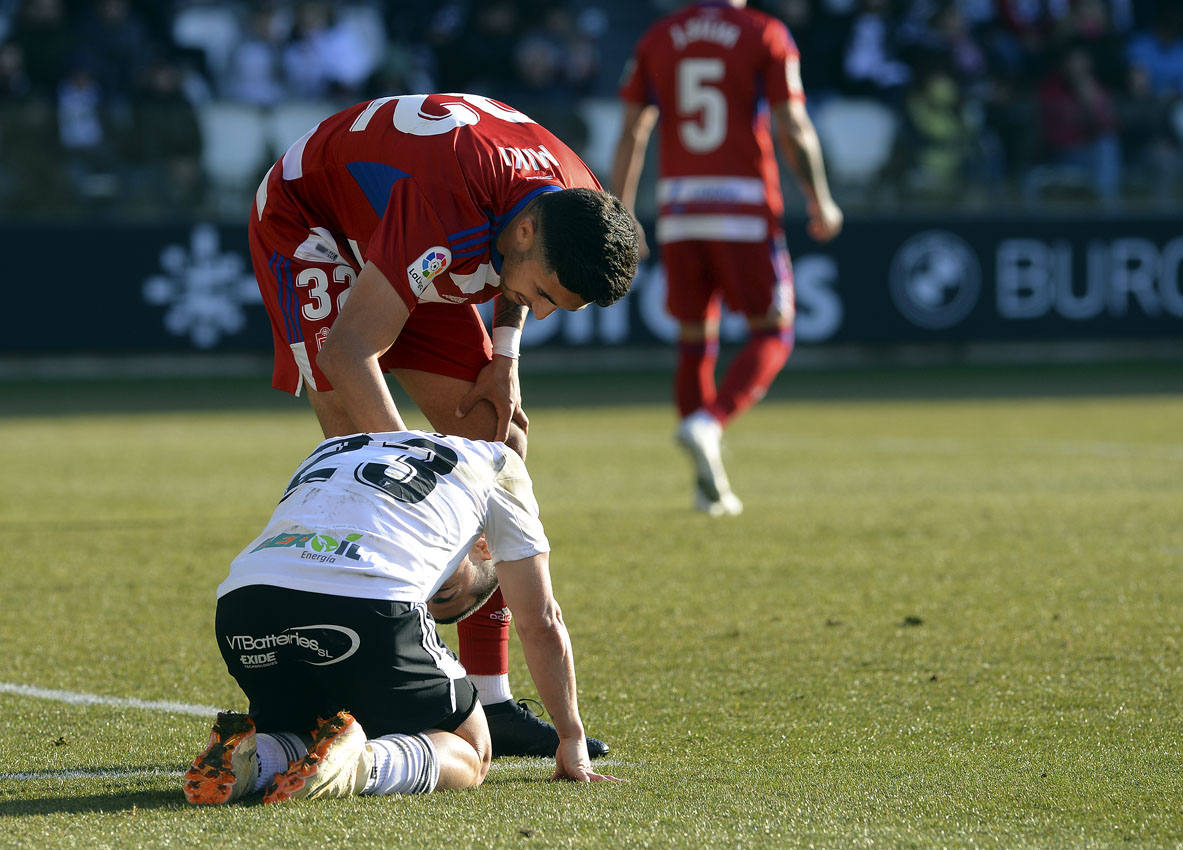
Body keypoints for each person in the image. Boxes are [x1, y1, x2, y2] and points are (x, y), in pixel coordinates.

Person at [250, 92, 637, 755]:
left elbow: (512, 272)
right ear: (524, 234)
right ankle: (338, 683)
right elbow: (349, 351)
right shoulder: (450, 206)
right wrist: (422, 499)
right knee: (361, 466)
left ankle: (491, 699)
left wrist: (505, 357)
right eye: (544, 295)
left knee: (493, 441)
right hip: (313, 222)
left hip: (411, 231)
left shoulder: (575, 202)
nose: (540, 312)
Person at [184, 429, 619, 805]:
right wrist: (570, 738)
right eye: (445, 590)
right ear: (484, 545)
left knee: (310, 726)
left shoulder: (337, 445)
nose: (431, 598)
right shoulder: (498, 464)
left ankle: (258, 757)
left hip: (243, 602)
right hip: (367, 600)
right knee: (472, 749)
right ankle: (362, 767)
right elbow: (541, 620)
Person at [611, 0, 843, 517]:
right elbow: (793, 125)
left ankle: (704, 486)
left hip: (681, 208)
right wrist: (820, 197)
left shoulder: (659, 37)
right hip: (744, 207)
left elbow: (632, 130)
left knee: (694, 340)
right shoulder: (764, 33)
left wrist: (623, 213)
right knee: (773, 331)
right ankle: (709, 423)